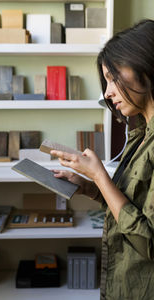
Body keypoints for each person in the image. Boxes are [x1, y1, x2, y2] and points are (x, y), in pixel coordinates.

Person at [51, 19, 154, 300]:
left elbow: (149, 242)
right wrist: (89, 187)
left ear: (144, 65)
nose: (107, 93)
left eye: (112, 77)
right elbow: (134, 205)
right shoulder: (139, 135)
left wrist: (99, 176)